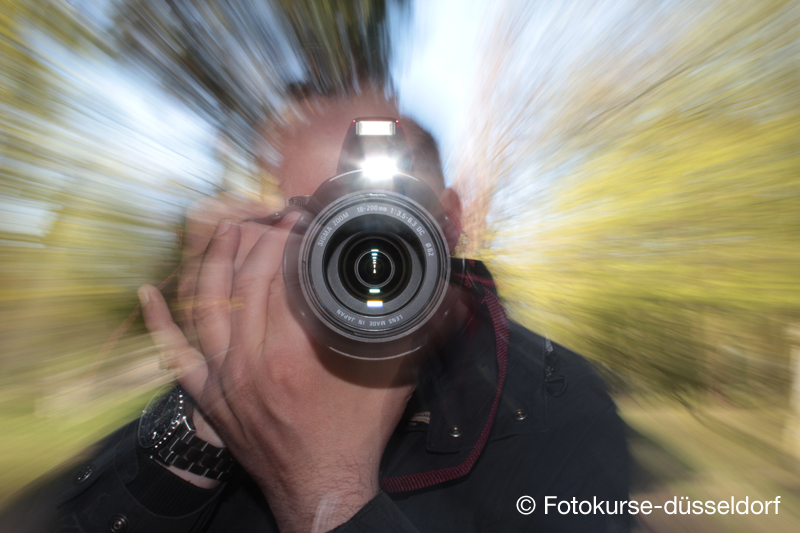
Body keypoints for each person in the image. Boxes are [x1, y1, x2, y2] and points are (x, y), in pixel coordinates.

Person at [4, 88, 629, 532]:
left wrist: (328, 495)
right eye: (313, 223)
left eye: (388, 220)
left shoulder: (556, 401)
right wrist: (201, 428)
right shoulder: (252, 370)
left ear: (452, 221)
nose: (362, 254)